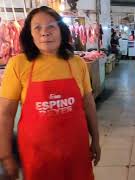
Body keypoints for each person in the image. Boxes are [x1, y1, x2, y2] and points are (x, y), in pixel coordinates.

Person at [0, 6, 101, 180]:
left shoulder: (77, 63)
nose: (44, 33)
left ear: (61, 31)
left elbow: (89, 104)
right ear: (30, 34)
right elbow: (5, 114)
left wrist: (96, 141)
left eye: (51, 27)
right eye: (37, 27)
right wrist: (6, 155)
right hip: (36, 153)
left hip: (75, 149)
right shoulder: (18, 64)